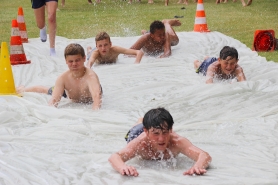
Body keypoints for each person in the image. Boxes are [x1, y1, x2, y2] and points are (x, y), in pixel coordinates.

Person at [108, 107, 212, 177]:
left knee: (160, 126)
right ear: (146, 131)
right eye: (156, 134)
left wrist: (197, 166)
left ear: (170, 130)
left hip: (154, 127)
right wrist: (123, 167)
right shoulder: (140, 143)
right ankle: (140, 121)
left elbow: (204, 155)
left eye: (165, 133)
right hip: (138, 131)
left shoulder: (177, 142)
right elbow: (114, 157)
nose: (161, 139)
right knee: (137, 127)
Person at [17, 43, 102, 110]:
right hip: (68, 92)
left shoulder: (90, 77)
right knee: (47, 90)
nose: (74, 64)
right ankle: (23, 89)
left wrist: (95, 114)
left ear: (84, 59)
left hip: (91, 91)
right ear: (66, 61)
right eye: (70, 61)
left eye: (77, 60)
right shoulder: (63, 78)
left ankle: (89, 50)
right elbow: (54, 101)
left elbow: (96, 98)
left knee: (96, 92)